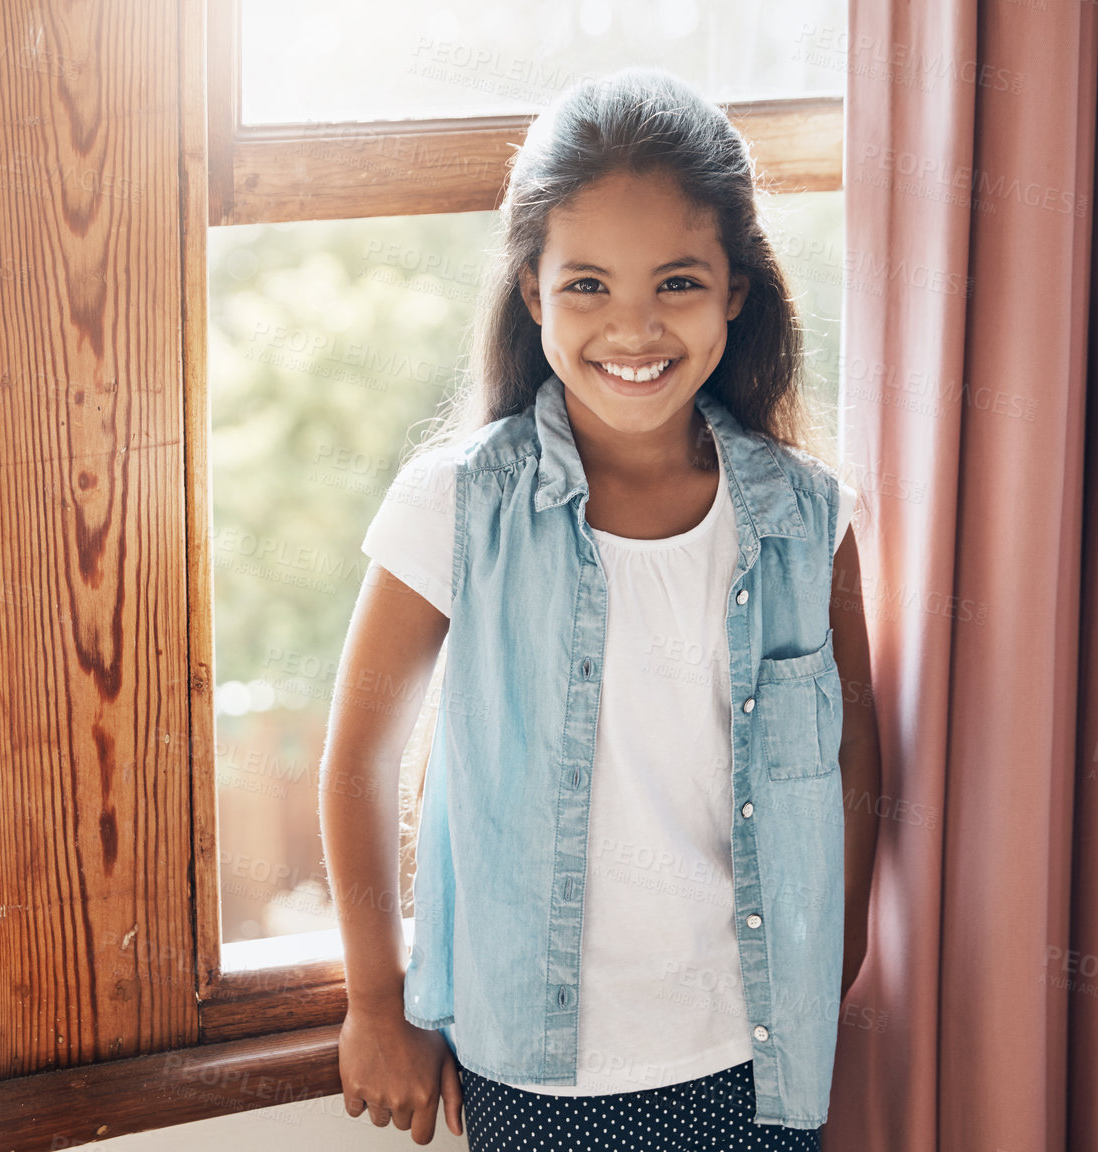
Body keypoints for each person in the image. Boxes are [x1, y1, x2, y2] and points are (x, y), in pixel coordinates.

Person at [317, 67, 882, 1151]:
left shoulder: (810, 518)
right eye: (588, 286)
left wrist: (829, 959)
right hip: (537, 1068)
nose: (634, 328)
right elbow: (356, 760)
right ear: (533, 292)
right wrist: (377, 1004)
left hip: (753, 1049)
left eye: (676, 282)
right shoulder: (454, 505)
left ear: (736, 293)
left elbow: (857, 757)